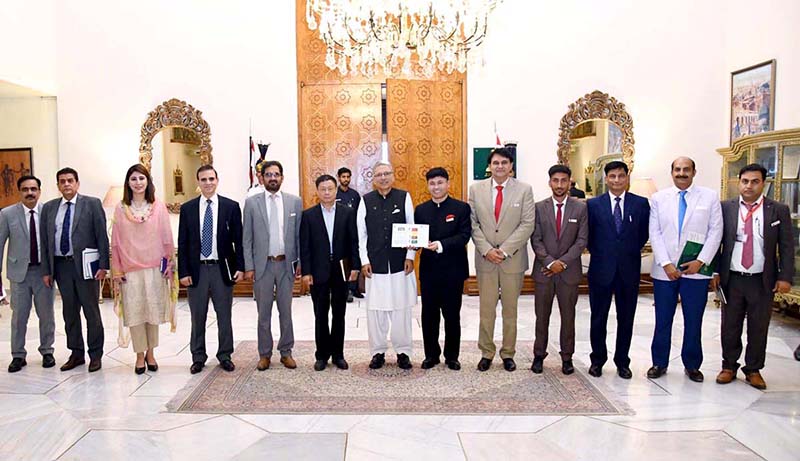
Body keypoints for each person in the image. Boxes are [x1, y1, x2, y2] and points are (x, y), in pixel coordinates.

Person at [714, 163, 794, 390]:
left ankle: (753, 369)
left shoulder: (778, 210)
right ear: (739, 183)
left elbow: (787, 246)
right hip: (733, 278)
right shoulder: (725, 208)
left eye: (755, 181)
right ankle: (728, 365)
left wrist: (785, 276)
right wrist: (715, 272)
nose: (749, 186)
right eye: (745, 181)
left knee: (759, 326)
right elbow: (716, 242)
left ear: (764, 183)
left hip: (762, 279)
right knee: (730, 324)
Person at [647, 157, 722, 382]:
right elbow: (655, 232)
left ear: (694, 171)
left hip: (696, 271)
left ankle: (692, 365)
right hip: (664, 271)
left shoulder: (709, 197)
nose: (681, 173)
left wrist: (701, 261)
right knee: (663, 319)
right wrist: (666, 263)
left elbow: (715, 231)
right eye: (677, 169)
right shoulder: (659, 198)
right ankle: (659, 362)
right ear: (671, 172)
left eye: (686, 169)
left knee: (693, 319)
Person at [469, 147, 535, 372]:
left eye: (504, 163)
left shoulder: (524, 190)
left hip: (512, 261)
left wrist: (504, 250)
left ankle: (508, 353)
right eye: (495, 163)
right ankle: (486, 352)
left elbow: (527, 224)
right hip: (486, 260)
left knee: (510, 310)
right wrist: (487, 249)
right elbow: (473, 224)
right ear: (490, 166)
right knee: (486, 311)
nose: (499, 167)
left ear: (511, 166)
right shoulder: (476, 190)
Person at [111, 164, 177, 375]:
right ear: (127, 183)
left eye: (141, 178)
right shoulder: (121, 208)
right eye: (133, 179)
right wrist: (117, 270)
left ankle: (151, 353)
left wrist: (169, 265)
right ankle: (139, 355)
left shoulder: (157, 207)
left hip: (154, 268)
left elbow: (166, 237)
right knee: (135, 312)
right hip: (130, 270)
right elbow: (116, 242)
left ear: (147, 181)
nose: (138, 183)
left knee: (152, 312)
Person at [41, 167, 109, 372]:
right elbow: (45, 241)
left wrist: (104, 265)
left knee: (91, 313)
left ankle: (95, 354)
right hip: (61, 266)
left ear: (77, 183)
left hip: (86, 267)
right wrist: (47, 270)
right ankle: (76, 353)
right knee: (69, 313)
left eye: (70, 180)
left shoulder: (92, 204)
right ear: (58, 186)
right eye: (62, 181)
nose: (66, 184)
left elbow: (101, 236)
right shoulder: (50, 208)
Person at [586, 160, 649, 379]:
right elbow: (589, 238)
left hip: (628, 270)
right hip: (601, 270)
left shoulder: (641, 204)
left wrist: (625, 252)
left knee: (626, 318)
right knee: (598, 317)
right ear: (606, 179)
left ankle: (622, 361)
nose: (616, 180)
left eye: (621, 176)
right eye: (612, 176)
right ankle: (597, 360)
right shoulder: (593, 205)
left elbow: (642, 235)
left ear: (627, 178)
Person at [178, 165, 244, 374]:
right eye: (203, 179)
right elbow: (183, 241)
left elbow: (239, 241)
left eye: (211, 179)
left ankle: (225, 355)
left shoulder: (230, 207)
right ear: (198, 182)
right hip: (197, 270)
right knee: (198, 316)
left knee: (224, 315)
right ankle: (198, 356)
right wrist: (184, 272)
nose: (208, 183)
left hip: (220, 270)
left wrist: (240, 267)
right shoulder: (188, 209)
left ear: (217, 180)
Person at [243, 160, 302, 371]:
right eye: (268, 174)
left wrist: (300, 264)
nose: (273, 178)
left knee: (285, 311)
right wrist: (249, 266)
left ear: (282, 177)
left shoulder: (295, 202)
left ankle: (286, 352)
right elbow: (246, 238)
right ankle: (264, 354)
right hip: (262, 267)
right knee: (263, 313)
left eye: (276, 174)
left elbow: (298, 236)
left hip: (286, 265)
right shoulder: (252, 203)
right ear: (262, 178)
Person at [357, 162, 417, 370]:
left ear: (393, 176)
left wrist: (410, 255)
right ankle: (378, 352)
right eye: (379, 175)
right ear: (373, 179)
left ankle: (403, 351)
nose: (383, 177)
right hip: (375, 264)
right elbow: (361, 234)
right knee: (376, 311)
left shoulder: (404, 197)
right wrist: (364, 260)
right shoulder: (365, 201)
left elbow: (412, 229)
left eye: (387, 174)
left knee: (401, 309)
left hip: (401, 264)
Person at [530, 165, 588, 375]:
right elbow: (535, 239)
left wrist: (561, 263)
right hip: (544, 272)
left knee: (568, 317)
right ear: (550, 182)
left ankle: (566, 357)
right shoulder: (538, 207)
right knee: (541, 317)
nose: (560, 185)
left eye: (564, 181)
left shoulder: (580, 208)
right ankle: (539, 355)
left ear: (570, 182)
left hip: (568, 272)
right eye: (556, 180)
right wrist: (548, 262)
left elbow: (581, 240)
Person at [300, 174, 360, 371]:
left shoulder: (347, 212)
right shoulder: (308, 215)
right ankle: (321, 355)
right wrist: (307, 272)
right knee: (320, 314)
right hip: (318, 271)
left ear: (336, 190)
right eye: (323, 189)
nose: (327, 192)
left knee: (339, 313)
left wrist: (356, 267)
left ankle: (338, 354)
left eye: (330, 189)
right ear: (317, 191)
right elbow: (305, 246)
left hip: (342, 269)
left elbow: (354, 242)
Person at [414, 167, 471, 371]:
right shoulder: (421, 210)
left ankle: (452, 356)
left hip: (453, 271)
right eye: (432, 183)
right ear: (428, 186)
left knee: (452, 316)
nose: (436, 187)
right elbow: (416, 235)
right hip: (429, 272)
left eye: (440, 182)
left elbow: (464, 235)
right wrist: (412, 243)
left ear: (448, 184)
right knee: (429, 316)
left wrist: (440, 244)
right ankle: (431, 355)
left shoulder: (461, 208)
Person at [0, 175, 56, 372]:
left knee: (47, 315)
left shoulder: (48, 212)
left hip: (44, 273)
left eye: (33, 189)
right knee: (19, 317)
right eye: (25, 189)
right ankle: (18, 355)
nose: (30, 192)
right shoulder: (7, 214)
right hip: (19, 275)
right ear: (19, 192)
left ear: (39, 191)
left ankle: (47, 351)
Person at [336, 166, 362, 302]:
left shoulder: (355, 195)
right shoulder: (335, 194)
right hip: (339, 233)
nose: (346, 179)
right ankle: (345, 290)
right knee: (342, 261)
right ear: (339, 178)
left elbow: (360, 214)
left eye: (348, 177)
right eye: (343, 177)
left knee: (354, 260)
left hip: (353, 231)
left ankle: (355, 289)